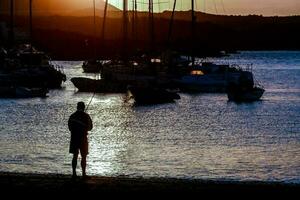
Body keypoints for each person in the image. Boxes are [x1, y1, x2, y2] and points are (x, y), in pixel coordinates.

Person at [68, 102, 93, 178]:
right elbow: (90, 128)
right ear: (84, 107)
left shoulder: (72, 116)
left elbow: (70, 128)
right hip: (83, 139)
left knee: (75, 156)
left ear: (77, 107)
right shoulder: (86, 116)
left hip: (74, 139)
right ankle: (83, 174)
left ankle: (74, 174)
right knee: (84, 156)